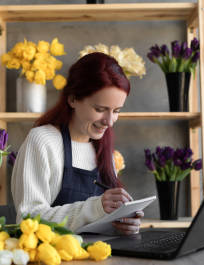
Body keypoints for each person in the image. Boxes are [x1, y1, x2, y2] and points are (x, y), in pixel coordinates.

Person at [11, 52, 143, 235]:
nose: (110, 121)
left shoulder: (101, 150)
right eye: (100, 109)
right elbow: (28, 219)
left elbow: (100, 222)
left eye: (116, 111)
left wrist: (123, 223)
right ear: (72, 99)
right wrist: (95, 208)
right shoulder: (42, 141)